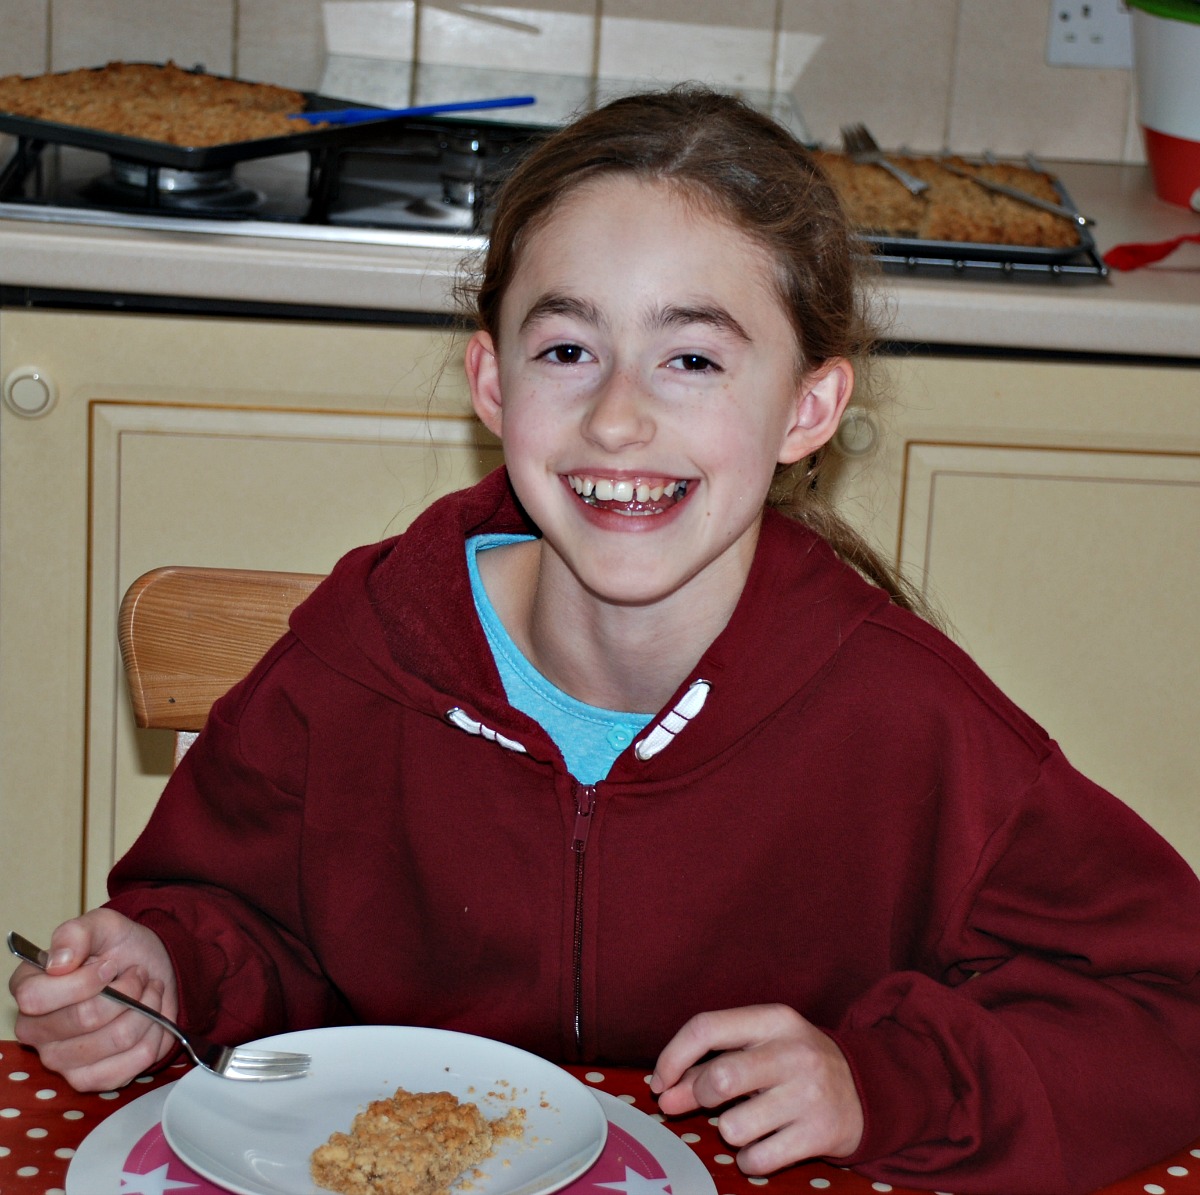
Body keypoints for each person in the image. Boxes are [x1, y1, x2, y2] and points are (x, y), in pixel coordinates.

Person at [9, 86, 1200, 1194]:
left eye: (693, 358)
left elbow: (1165, 1001)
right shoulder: (359, 660)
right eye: (568, 350)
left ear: (808, 408)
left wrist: (877, 1082)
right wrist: (163, 971)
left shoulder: (906, 720)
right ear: (492, 383)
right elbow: (235, 919)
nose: (619, 418)